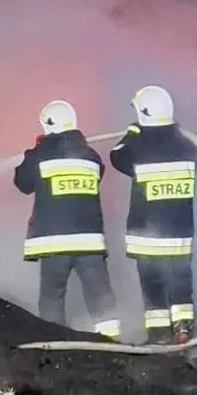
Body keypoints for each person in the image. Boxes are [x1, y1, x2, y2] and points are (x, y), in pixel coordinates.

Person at [13, 99, 121, 339]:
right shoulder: (91, 156)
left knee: (52, 297)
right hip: (89, 242)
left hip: (54, 243)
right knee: (100, 295)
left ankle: (57, 346)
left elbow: (22, 183)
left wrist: (32, 153)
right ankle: (114, 344)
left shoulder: (40, 155)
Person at [109, 85, 197, 345]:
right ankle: (183, 329)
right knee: (181, 281)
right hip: (179, 235)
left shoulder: (138, 145)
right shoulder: (188, 146)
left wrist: (133, 132)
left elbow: (116, 157)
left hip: (147, 237)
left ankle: (158, 335)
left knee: (152, 285)